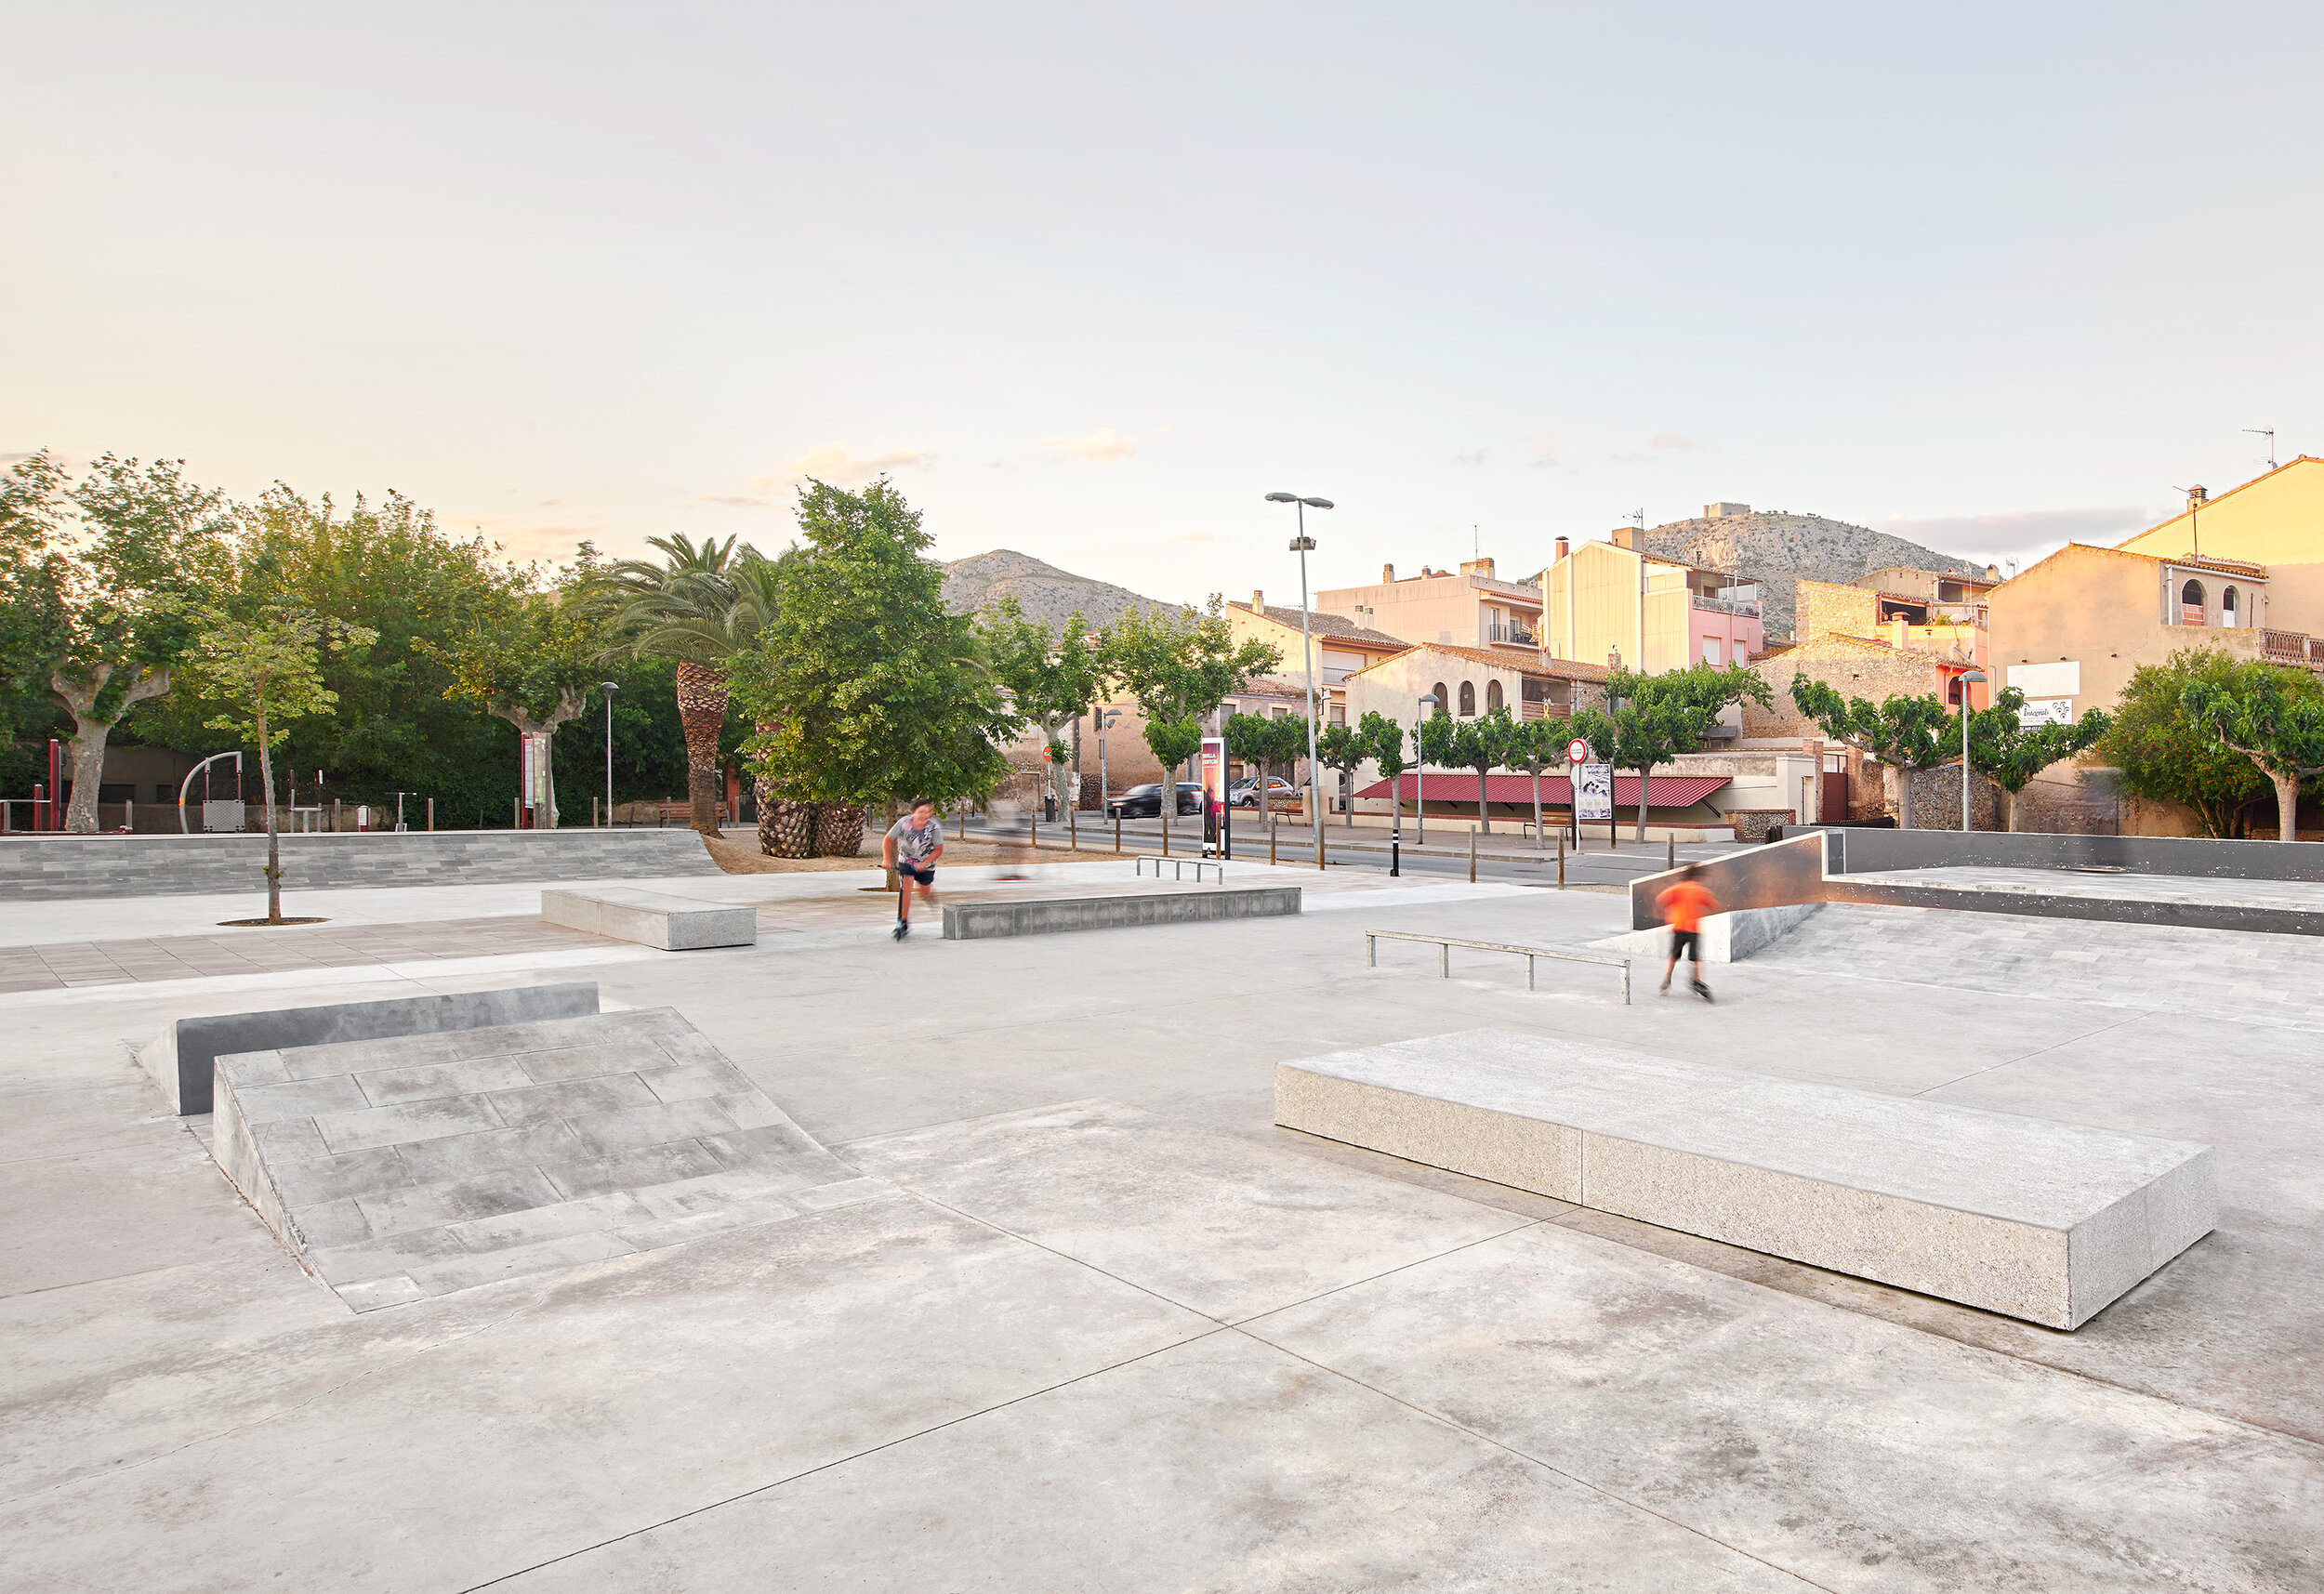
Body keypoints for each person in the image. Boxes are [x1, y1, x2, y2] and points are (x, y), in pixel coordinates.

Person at [1656, 862, 1718, 1001]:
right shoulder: (1699, 889)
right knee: (1695, 958)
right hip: (1693, 929)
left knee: (1674, 954)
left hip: (1678, 926)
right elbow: (1713, 904)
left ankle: (1668, 977)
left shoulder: (1678, 888)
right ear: (1697, 877)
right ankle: (1696, 980)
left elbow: (1662, 899)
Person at [884, 798, 945, 941]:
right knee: (906, 883)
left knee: (924, 891)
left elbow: (938, 850)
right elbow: (887, 840)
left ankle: (928, 893)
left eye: (929, 811)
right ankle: (902, 923)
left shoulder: (934, 828)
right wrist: (886, 859)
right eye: (922, 812)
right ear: (913, 813)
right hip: (907, 860)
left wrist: (924, 863)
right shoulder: (904, 823)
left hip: (927, 863)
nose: (926, 815)